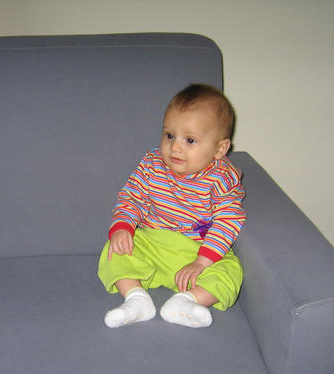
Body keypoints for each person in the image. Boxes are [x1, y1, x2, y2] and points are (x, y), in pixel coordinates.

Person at [98, 83, 245, 328]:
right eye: (169, 135)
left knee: (231, 270)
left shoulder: (222, 178)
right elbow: (132, 197)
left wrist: (203, 261)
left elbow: (228, 220)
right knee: (114, 250)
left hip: (198, 250)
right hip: (153, 242)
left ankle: (187, 302)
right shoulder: (152, 164)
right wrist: (122, 226)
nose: (175, 146)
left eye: (190, 140)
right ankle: (136, 299)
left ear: (220, 149)